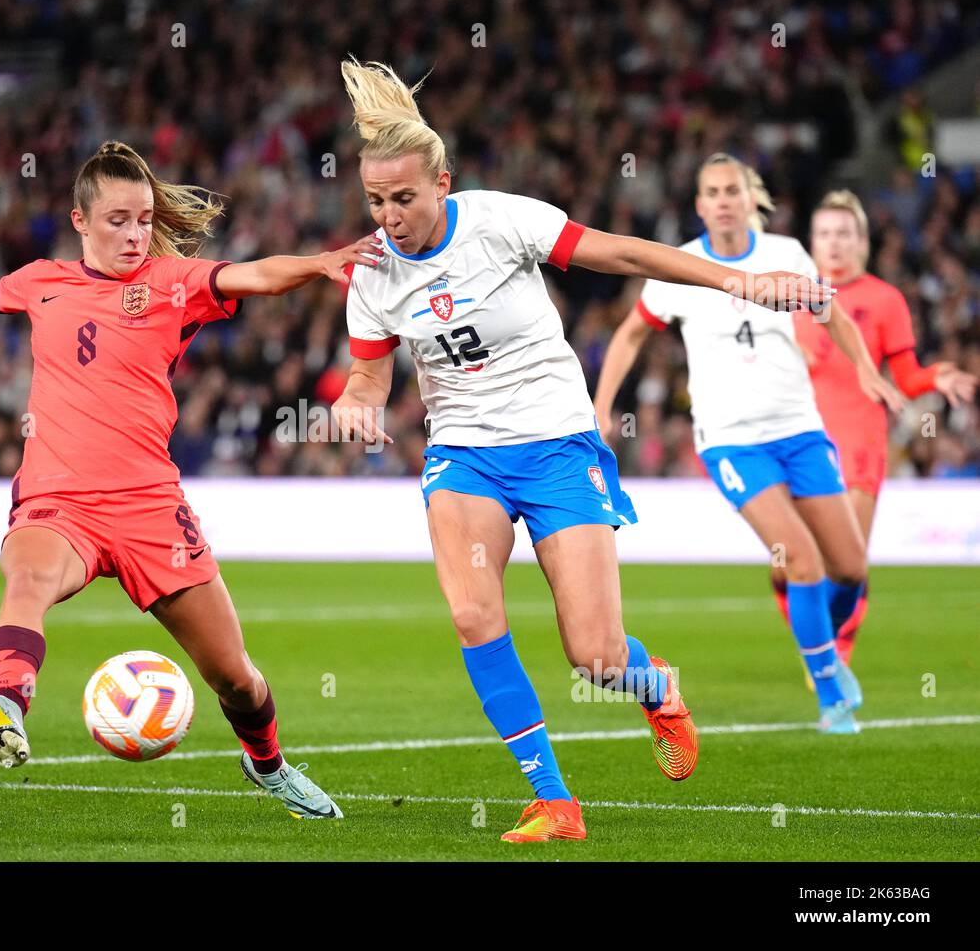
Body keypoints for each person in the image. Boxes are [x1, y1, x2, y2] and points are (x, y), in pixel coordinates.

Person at [331, 59, 832, 843]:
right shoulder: (372, 272)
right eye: (374, 200)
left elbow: (625, 256)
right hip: (465, 454)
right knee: (472, 614)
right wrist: (356, 404)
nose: (389, 216)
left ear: (443, 183)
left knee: (595, 655)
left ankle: (653, 685)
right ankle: (555, 802)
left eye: (403, 198)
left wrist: (737, 283)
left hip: (559, 444)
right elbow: (368, 375)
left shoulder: (501, 220)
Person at [0, 140, 383, 820]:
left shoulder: (171, 281)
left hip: (149, 508)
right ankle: (5, 704)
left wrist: (321, 262)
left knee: (234, 677)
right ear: (80, 222)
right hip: (58, 499)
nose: (134, 235)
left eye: (143, 219)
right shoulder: (43, 279)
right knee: (29, 579)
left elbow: (257, 276)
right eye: (117, 221)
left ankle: (269, 765)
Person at [593, 153, 906, 739]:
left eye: (732, 190)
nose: (722, 201)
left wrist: (863, 364)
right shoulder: (680, 266)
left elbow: (828, 310)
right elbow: (631, 330)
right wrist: (603, 404)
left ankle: (824, 652)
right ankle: (831, 693)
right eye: (711, 191)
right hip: (733, 442)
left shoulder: (784, 254)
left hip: (800, 428)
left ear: (746, 197)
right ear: (700, 204)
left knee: (851, 566)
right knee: (802, 560)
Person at [790, 190, 976, 662]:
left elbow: (907, 377)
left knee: (848, 563)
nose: (834, 244)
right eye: (824, 233)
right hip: (797, 442)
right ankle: (819, 646)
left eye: (843, 234)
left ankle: (835, 655)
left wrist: (939, 375)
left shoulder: (885, 299)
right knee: (798, 558)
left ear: (862, 241)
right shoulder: (789, 295)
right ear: (811, 241)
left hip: (860, 442)